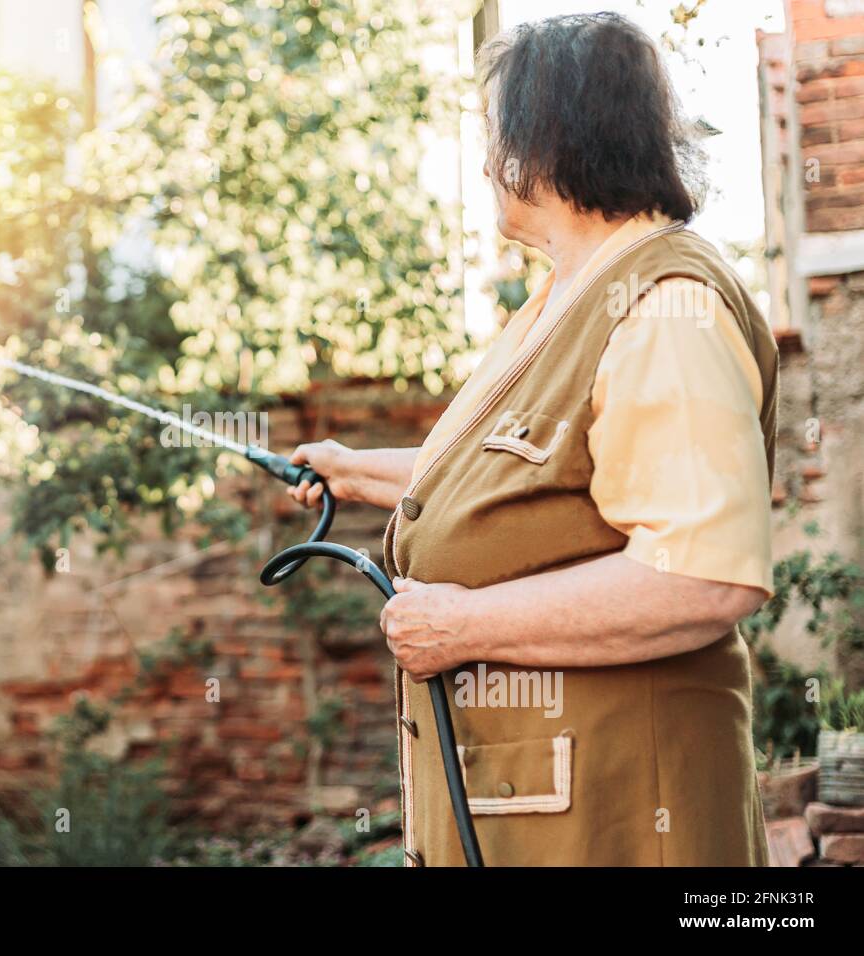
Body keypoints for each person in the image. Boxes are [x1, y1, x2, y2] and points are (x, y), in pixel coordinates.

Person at [288, 13, 777, 866]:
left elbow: (703, 576)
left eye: (496, 134)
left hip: (625, 816)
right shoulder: (567, 296)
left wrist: (466, 624)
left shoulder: (666, 304)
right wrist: (356, 472)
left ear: (550, 139)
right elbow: (524, 469)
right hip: (537, 806)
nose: (485, 163)